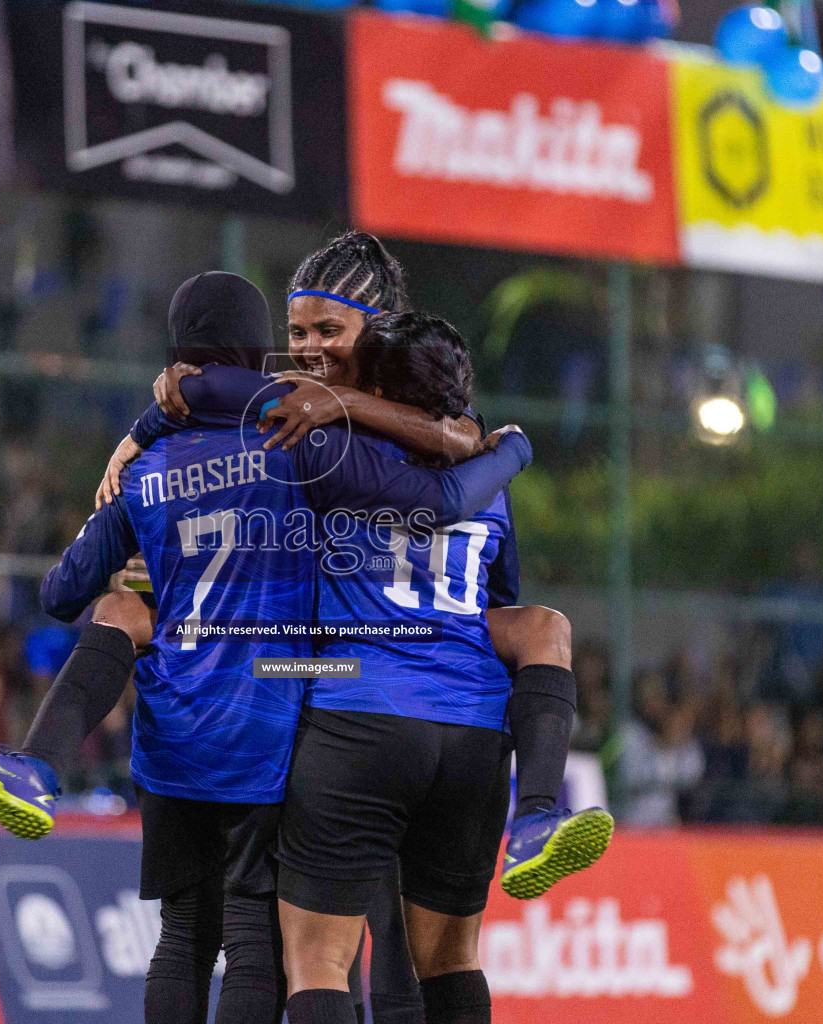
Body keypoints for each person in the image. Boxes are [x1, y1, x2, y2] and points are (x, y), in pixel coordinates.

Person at [0, 273, 530, 1024]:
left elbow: (59, 594)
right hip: (285, 710)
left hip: (177, 721)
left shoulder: (146, 469)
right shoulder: (304, 449)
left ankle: (36, 762)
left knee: (181, 937)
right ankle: (537, 808)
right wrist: (489, 447)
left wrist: (143, 462)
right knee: (268, 941)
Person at [102, 233, 606, 903]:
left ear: (380, 332)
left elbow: (458, 452)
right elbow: (459, 464)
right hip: (308, 675)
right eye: (298, 331)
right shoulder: (308, 411)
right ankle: (535, 811)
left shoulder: (367, 419)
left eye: (328, 330)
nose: (309, 346)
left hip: (336, 685)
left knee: (319, 951)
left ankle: (538, 816)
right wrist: (146, 422)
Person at [270, 312, 539, 1024]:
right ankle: (541, 812)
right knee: (452, 960)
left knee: (318, 960)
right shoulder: (491, 485)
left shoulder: (331, 454)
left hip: (359, 716)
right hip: (475, 735)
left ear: (381, 387)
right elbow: (500, 601)